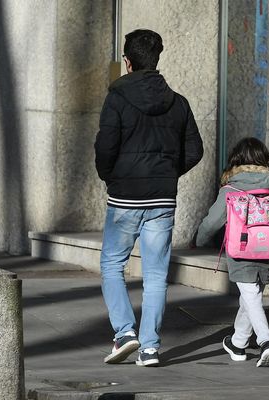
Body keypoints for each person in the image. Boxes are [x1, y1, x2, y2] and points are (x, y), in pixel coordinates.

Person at [94, 29, 204, 367]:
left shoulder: (116, 99)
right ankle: (151, 348)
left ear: (127, 62)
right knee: (156, 274)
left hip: (125, 197)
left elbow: (105, 148)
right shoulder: (178, 103)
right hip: (162, 199)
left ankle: (125, 333)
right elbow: (195, 151)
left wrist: (111, 176)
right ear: (156, 60)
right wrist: (166, 173)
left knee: (113, 264)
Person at [195, 137, 269, 367]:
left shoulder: (230, 190)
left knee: (251, 296)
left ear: (236, 161)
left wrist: (197, 240)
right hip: (268, 254)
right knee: (250, 298)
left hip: (241, 252)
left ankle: (266, 341)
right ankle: (237, 343)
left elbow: (211, 222)